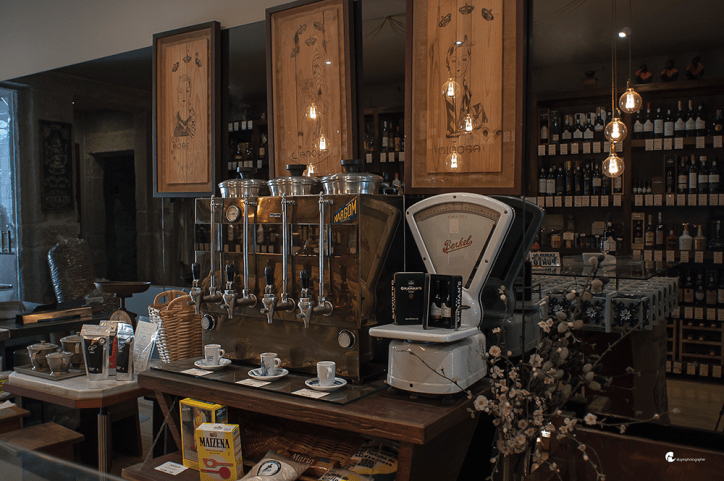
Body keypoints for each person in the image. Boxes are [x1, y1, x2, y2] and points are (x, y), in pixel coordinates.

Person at [174, 74, 196, 138]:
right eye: (180, 91)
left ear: (190, 93)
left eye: (187, 91)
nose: (184, 96)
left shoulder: (195, 118)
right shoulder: (174, 119)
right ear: (177, 93)